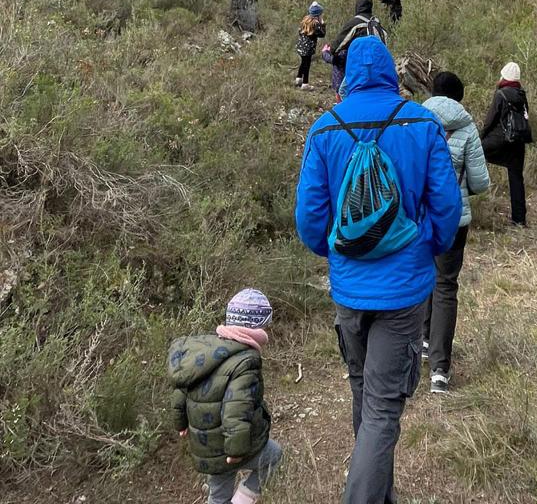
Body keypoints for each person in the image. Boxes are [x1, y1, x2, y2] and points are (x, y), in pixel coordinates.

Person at [295, 37, 462, 504]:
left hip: (349, 288)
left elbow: (309, 220)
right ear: (392, 73)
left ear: (348, 77)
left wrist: (337, 252)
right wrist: (425, 244)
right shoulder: (422, 122)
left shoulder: (324, 129)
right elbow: (447, 208)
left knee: (364, 392)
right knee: (384, 407)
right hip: (404, 290)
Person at [167, 288, 281, 504]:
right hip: (234, 446)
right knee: (275, 457)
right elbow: (236, 408)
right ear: (257, 326)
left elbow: (181, 390)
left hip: (206, 446)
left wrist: (180, 423)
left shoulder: (205, 353)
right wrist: (236, 450)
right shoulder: (245, 361)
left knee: (218, 494)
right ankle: (243, 500)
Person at [421, 72, 490, 394]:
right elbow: (480, 183)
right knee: (446, 285)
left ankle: (421, 340)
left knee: (422, 280)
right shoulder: (467, 127)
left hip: (418, 220)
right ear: (459, 98)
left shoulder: (414, 120)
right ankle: (439, 370)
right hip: (454, 221)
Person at [480, 62, 533, 228]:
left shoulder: (501, 94)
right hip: (518, 141)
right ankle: (519, 220)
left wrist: (480, 137)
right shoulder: (521, 94)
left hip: (500, 140)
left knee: (474, 154)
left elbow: (490, 120)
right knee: (516, 179)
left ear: (504, 76)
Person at [330, 0, 388, 76]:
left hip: (360, 65)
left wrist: (330, 52)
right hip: (379, 64)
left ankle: (340, 87)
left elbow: (337, 46)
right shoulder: (377, 24)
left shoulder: (355, 23)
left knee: (338, 57)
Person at [295, 1, 326, 90]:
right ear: (318, 15)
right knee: (306, 65)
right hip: (308, 49)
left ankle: (298, 78)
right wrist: (323, 24)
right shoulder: (315, 24)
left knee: (303, 62)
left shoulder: (305, 20)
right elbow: (322, 34)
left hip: (300, 47)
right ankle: (305, 84)